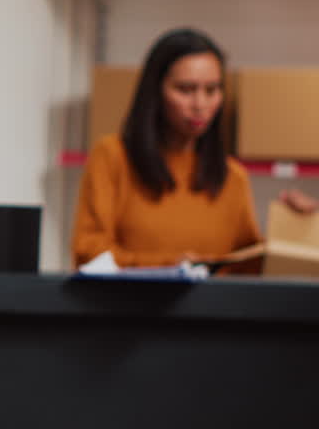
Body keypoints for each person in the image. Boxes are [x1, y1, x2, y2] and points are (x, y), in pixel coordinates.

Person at [71, 27, 312, 270]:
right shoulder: (112, 157)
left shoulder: (233, 177)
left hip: (212, 297)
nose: (200, 104)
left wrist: (297, 228)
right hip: (129, 296)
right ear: (156, 91)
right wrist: (172, 267)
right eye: (185, 89)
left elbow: (249, 266)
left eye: (212, 90)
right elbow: (88, 252)